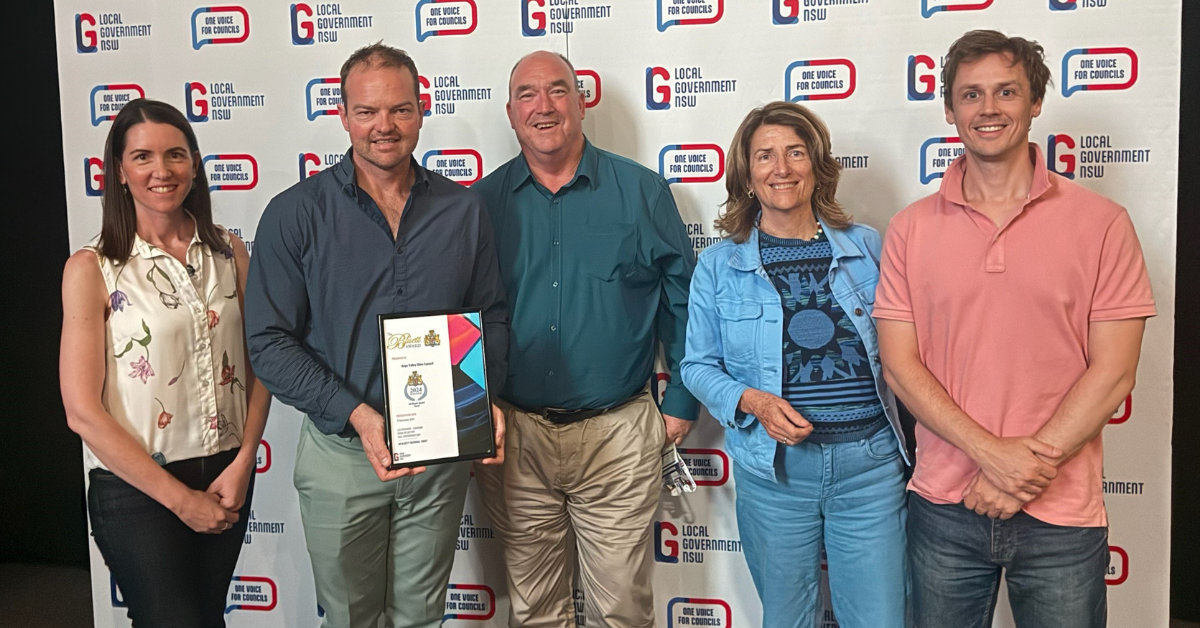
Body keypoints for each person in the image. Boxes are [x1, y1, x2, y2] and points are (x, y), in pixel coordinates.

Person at [875, 30, 1155, 628]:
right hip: (944, 506)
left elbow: (1114, 372)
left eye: (1007, 91)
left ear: (1035, 103)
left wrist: (1021, 476)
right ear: (949, 110)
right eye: (971, 95)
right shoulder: (910, 229)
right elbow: (900, 363)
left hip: (1063, 514)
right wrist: (993, 457)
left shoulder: (1103, 224)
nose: (989, 108)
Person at [243, 43, 508, 628]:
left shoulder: (462, 211)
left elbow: (489, 317)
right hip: (343, 457)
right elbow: (268, 342)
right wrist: (359, 417)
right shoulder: (295, 213)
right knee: (350, 619)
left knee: (421, 617)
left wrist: (483, 400)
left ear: (422, 109)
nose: (384, 126)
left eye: (400, 109)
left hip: (437, 458)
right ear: (342, 114)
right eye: (367, 112)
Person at [471, 50, 698, 627]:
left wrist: (680, 403)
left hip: (617, 432)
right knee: (535, 610)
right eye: (527, 94)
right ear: (510, 112)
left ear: (580, 102)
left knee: (621, 608)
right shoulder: (478, 205)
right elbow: (458, 314)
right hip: (514, 436)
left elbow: (683, 302)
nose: (543, 107)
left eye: (557, 91)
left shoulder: (642, 192)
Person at [680, 101, 909, 628]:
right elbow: (696, 365)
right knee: (787, 619)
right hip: (776, 473)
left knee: (881, 620)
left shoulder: (868, 247)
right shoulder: (719, 265)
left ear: (818, 165)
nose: (781, 168)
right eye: (765, 156)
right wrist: (753, 401)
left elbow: (906, 351)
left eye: (795, 152)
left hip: (869, 468)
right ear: (746, 174)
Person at [60, 98, 270, 627]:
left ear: (195, 164)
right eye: (143, 157)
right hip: (135, 491)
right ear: (120, 171)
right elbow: (82, 411)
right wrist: (180, 500)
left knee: (206, 618)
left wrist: (244, 461)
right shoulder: (92, 268)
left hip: (226, 473)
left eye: (176, 154)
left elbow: (260, 363)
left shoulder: (229, 252)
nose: (162, 171)